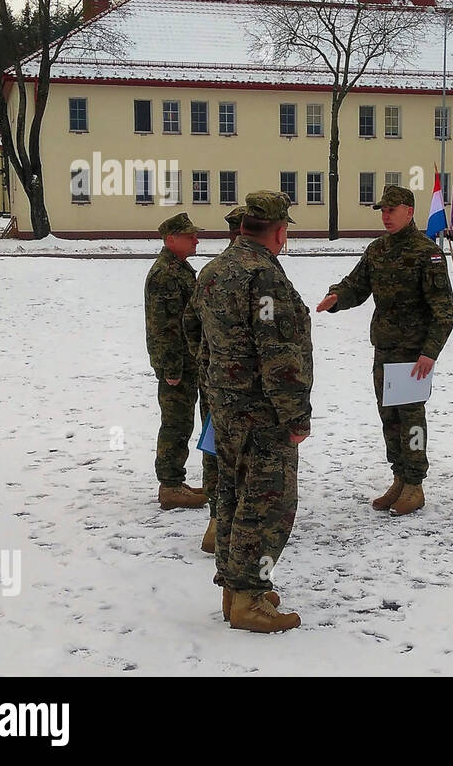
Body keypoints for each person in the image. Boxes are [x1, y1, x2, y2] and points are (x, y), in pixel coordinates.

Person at [188, 191, 310, 632]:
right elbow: (278, 352)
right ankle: (247, 598)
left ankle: (237, 589)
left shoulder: (214, 270)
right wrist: (296, 415)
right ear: (280, 231)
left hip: (226, 408)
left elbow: (195, 335)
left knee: (234, 496)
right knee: (269, 503)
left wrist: (217, 385)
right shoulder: (263, 278)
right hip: (264, 414)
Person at [318, 185, 453, 516]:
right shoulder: (377, 250)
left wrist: (430, 351)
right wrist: (337, 297)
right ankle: (399, 477)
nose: (385, 216)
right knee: (389, 418)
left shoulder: (427, 253)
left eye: (391, 210)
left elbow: (443, 309)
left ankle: (415, 484)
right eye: (382, 210)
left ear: (409, 211)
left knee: (411, 419)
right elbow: (356, 285)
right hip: (385, 350)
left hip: (412, 355)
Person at [182, 205, 248, 553]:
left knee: (214, 450)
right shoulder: (260, 272)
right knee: (247, 455)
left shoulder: (209, 271)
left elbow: (190, 323)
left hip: (215, 381)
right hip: (247, 388)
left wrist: (206, 360)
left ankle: (216, 520)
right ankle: (237, 527)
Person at [144, 212, 210, 511]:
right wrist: (171, 367)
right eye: (189, 235)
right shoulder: (166, 274)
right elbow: (166, 326)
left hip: (187, 360)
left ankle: (175, 480)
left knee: (182, 422)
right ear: (171, 239)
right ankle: (170, 486)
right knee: (176, 423)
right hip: (178, 364)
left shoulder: (179, 269)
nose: (196, 239)